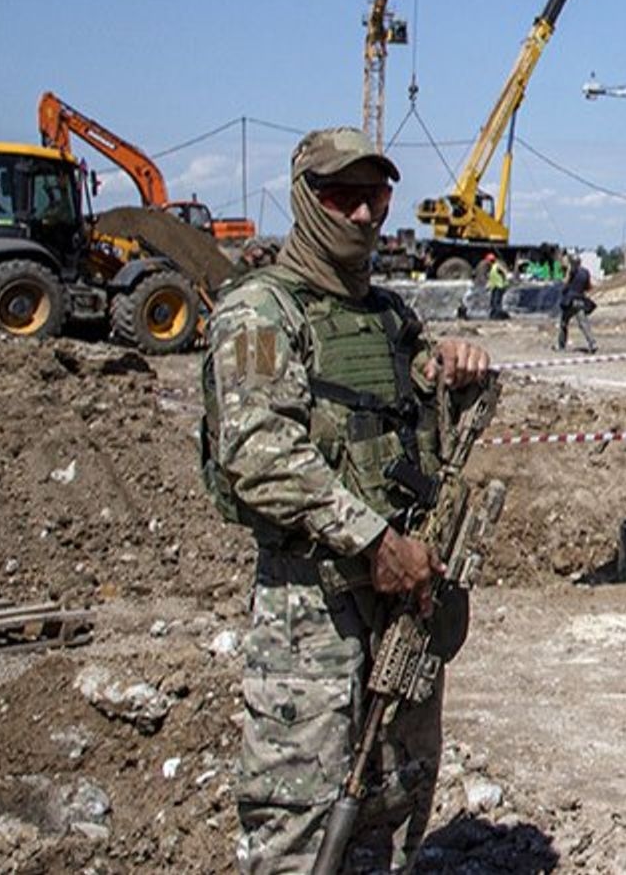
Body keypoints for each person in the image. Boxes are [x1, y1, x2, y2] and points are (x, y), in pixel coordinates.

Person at [199, 127, 491, 873]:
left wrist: (460, 373)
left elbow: (423, 426)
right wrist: (372, 541)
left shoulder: (392, 316)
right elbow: (256, 453)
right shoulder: (259, 315)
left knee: (396, 805)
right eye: (343, 196)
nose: (363, 214)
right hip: (313, 613)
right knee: (298, 825)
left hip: (405, 608)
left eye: (376, 196)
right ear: (306, 199)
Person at [557, 253, 599, 353]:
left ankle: (561, 346)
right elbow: (589, 287)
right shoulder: (586, 272)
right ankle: (592, 343)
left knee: (563, 323)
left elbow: (565, 284)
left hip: (570, 302)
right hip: (580, 301)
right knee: (584, 324)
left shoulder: (571, 271)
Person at [482, 251, 509, 320]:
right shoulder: (492, 268)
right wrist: (488, 286)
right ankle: (494, 315)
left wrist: (505, 283)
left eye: (487, 261)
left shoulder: (497, 266)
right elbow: (492, 279)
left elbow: (505, 273)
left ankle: (499, 316)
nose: (486, 262)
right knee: (493, 302)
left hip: (499, 287)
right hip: (495, 287)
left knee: (496, 302)